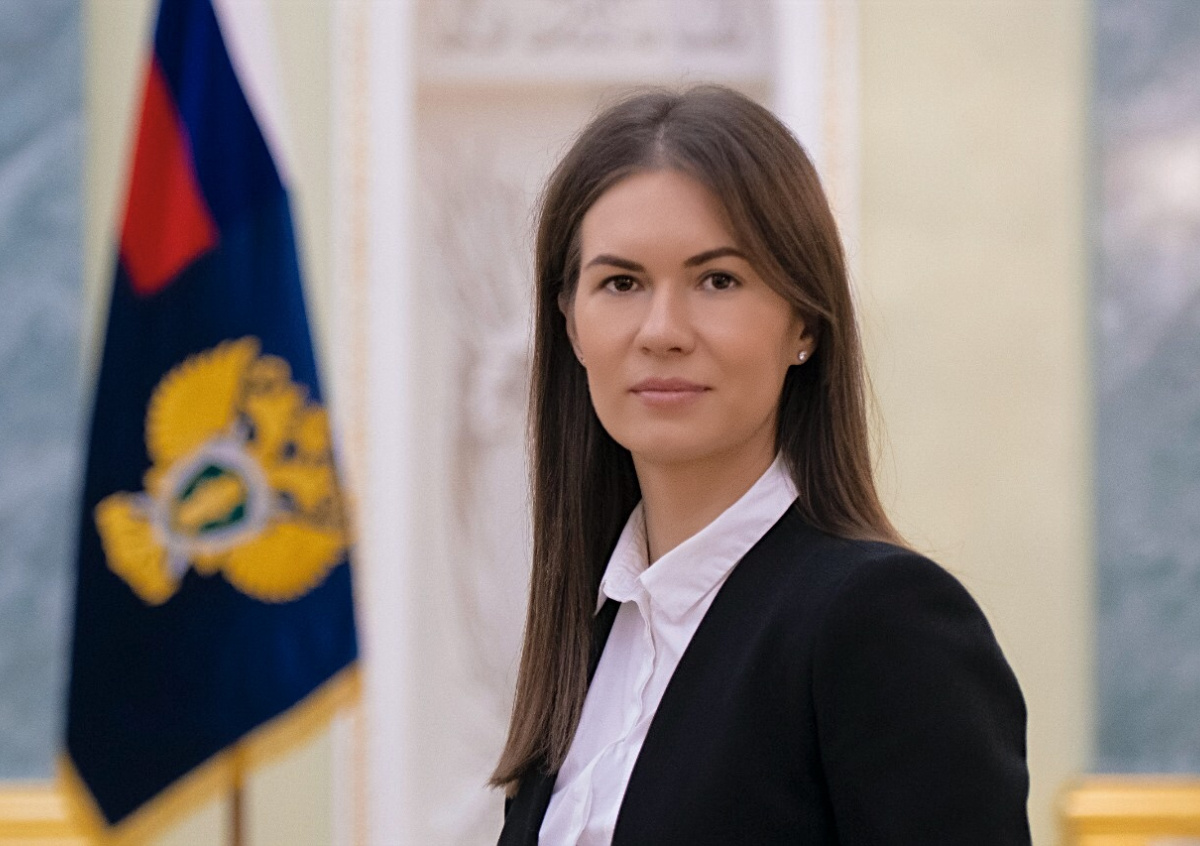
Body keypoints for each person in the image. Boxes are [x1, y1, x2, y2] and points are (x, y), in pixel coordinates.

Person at [492, 85, 1030, 846]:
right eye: (621, 283)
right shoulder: (593, 636)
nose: (662, 331)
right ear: (572, 326)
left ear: (803, 321)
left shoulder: (882, 623)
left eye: (718, 280)